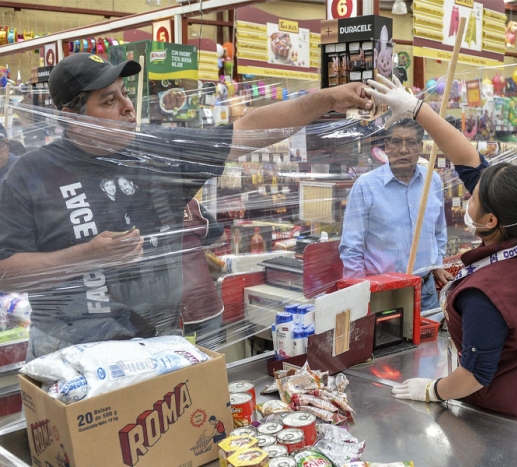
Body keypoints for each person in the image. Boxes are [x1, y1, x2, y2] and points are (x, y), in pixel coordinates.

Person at [0, 53, 371, 361]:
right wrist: (86, 256)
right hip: (71, 355)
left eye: (124, 94)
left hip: (157, 346)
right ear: (71, 117)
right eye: (109, 101)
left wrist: (326, 99)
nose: (129, 107)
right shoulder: (31, 175)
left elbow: (247, 130)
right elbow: (5, 272)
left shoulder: (158, 153)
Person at [368, 75, 517, 430]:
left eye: (473, 197)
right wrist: (416, 109)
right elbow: (466, 157)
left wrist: (433, 390)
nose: (468, 196)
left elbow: (475, 376)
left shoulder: (487, 292)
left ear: (491, 218)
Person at [339, 118, 453, 311]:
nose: (403, 149)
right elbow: (351, 247)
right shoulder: (366, 186)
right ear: (386, 147)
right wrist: (359, 293)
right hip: (383, 292)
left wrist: (437, 263)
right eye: (396, 142)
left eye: (410, 142)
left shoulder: (432, 181)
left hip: (425, 291)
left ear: (420, 147)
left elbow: (438, 231)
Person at [181, 198, 226, 344]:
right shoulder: (190, 203)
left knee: (185, 364)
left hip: (178, 311)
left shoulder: (140, 206)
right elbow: (221, 237)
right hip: (206, 304)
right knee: (207, 362)